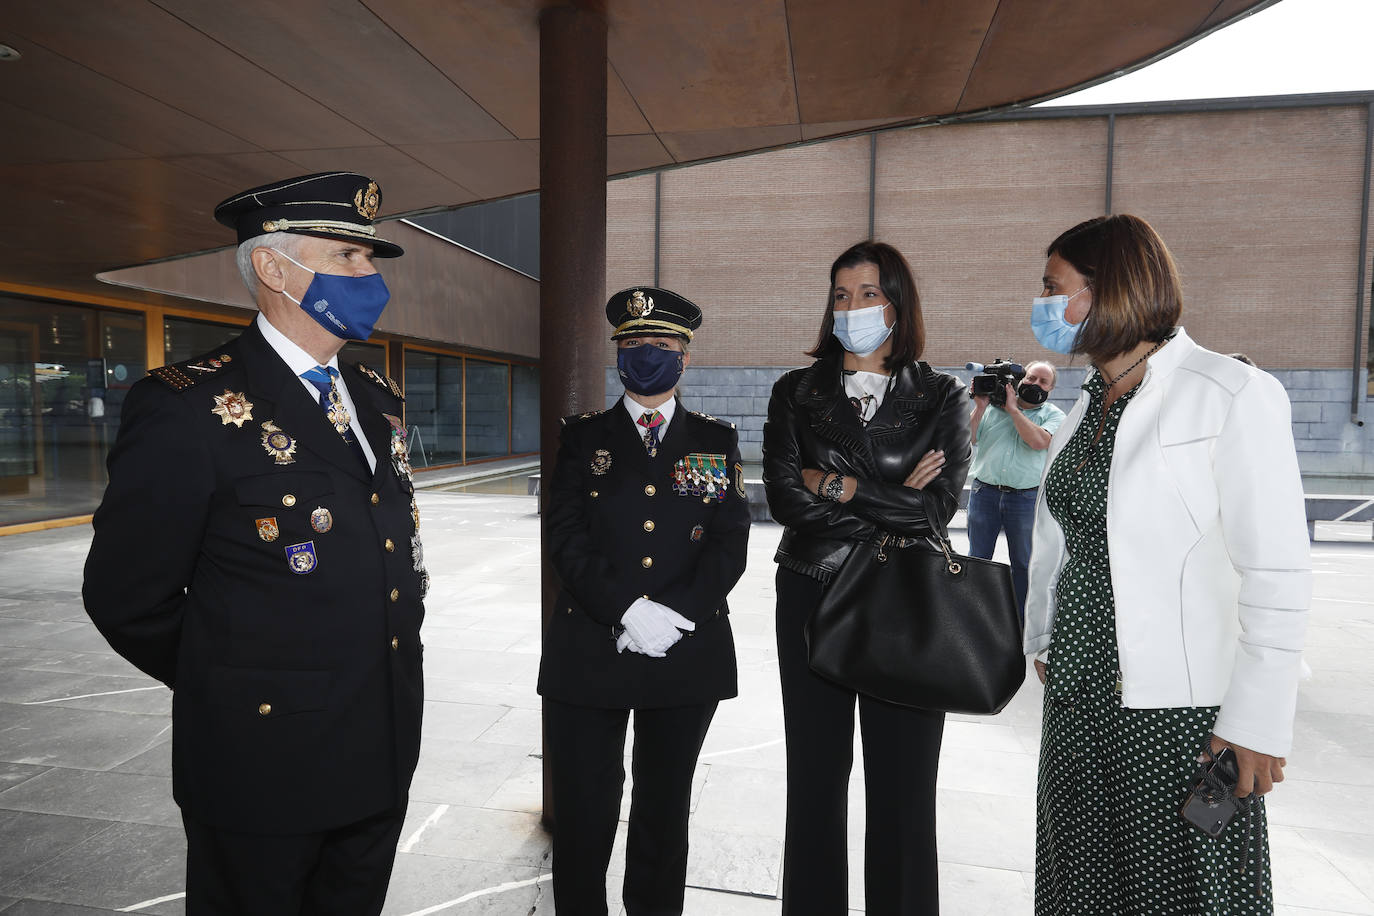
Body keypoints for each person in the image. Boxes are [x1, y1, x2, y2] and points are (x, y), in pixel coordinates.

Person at [83, 172, 425, 916]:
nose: (371, 278)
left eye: (372, 262)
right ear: (274, 268)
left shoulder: (374, 396)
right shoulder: (190, 406)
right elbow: (125, 596)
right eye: (348, 259)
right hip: (261, 764)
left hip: (380, 746)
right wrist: (237, 685)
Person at [1025, 214, 1311, 913]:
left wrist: (1256, 721)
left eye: (1053, 288)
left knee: (1181, 895)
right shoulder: (1088, 406)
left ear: (1106, 290)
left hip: (1177, 719)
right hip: (1076, 699)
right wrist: (1043, 638)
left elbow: (1275, 571)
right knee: (1081, 889)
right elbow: (1061, 544)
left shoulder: (1230, 394)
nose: (1044, 307)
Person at [763, 241, 971, 915]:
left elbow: (937, 510)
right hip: (812, 592)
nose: (852, 308)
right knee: (816, 782)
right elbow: (787, 500)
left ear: (898, 303)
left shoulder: (941, 395)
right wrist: (891, 501)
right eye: (841, 295)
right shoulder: (795, 393)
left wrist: (841, 486)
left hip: (905, 604)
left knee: (905, 789)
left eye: (869, 294)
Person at [538, 286, 750, 916]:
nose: (646, 355)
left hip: (685, 651)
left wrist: (672, 616)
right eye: (633, 344)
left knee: (663, 807)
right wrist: (630, 610)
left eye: (660, 344)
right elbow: (566, 538)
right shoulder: (583, 439)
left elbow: (727, 544)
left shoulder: (713, 439)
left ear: (684, 355)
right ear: (618, 355)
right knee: (585, 808)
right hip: (592, 645)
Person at [967, 360, 1065, 618]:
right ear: (1021, 379)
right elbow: (970, 438)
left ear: (1052, 388)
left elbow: (1038, 442)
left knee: (1023, 563)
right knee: (978, 560)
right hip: (984, 494)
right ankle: (974, 617)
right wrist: (979, 408)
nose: (1035, 384)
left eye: (1043, 381)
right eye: (1032, 378)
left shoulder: (1053, 415)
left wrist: (1013, 411)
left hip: (1024, 499)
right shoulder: (991, 408)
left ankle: (1021, 623)